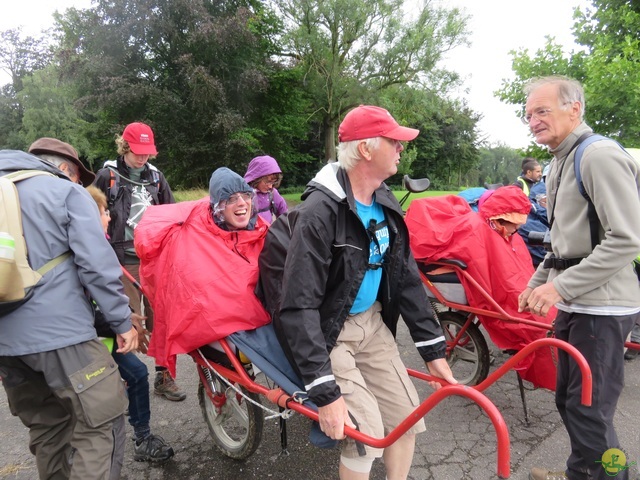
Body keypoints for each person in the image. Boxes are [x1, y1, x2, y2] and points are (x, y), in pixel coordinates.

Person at [258, 105, 456, 480]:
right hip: (330, 331)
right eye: (394, 141)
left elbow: (405, 274)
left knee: (406, 416)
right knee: (364, 432)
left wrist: (433, 350)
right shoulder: (320, 212)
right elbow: (298, 306)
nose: (401, 148)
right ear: (366, 149)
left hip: (372, 323)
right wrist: (326, 393)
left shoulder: (383, 199)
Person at [516, 76, 640, 480]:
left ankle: (613, 475)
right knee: (569, 404)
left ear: (574, 109)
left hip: (602, 307)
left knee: (591, 413)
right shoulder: (558, 161)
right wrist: (537, 283)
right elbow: (562, 243)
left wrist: (559, 287)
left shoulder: (597, 155)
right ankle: (580, 473)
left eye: (542, 110)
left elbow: (625, 240)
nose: (532, 120)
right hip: (576, 304)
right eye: (529, 113)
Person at [0, 138, 138, 480]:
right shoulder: (63, 192)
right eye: (77, 176)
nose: (78, 183)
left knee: (48, 430)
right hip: (64, 338)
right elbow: (96, 265)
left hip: (7, 347)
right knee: (101, 425)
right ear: (66, 168)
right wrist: (122, 322)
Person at [406, 185, 557, 390]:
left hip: (511, 287)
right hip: (497, 290)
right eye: (514, 223)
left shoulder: (504, 233)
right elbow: (491, 276)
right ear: (499, 218)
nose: (517, 229)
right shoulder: (476, 230)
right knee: (534, 324)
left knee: (549, 316)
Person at [134, 167, 271, 376]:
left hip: (260, 325)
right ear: (218, 207)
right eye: (231, 199)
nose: (242, 202)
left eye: (245, 195)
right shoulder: (197, 238)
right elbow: (196, 288)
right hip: (229, 329)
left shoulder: (261, 230)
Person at [93, 122, 186, 402]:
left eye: (147, 152)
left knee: (161, 317)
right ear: (125, 147)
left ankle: (163, 375)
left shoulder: (156, 177)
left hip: (155, 259)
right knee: (124, 319)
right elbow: (92, 213)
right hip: (122, 260)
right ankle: (120, 378)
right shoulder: (106, 176)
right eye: (138, 152)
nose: (143, 157)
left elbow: (170, 213)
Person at [86, 185, 174, 464]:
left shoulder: (97, 245)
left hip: (98, 330)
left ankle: (138, 435)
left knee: (132, 373)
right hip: (85, 338)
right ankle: (138, 438)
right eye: (103, 211)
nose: (110, 216)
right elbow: (85, 308)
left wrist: (123, 316)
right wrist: (118, 323)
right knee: (132, 375)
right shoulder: (86, 250)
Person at [244, 155, 288, 224]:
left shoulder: (272, 193)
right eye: (267, 182)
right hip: (249, 234)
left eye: (273, 182)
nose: (270, 186)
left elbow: (284, 214)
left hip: (268, 233)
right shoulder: (243, 194)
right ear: (256, 178)